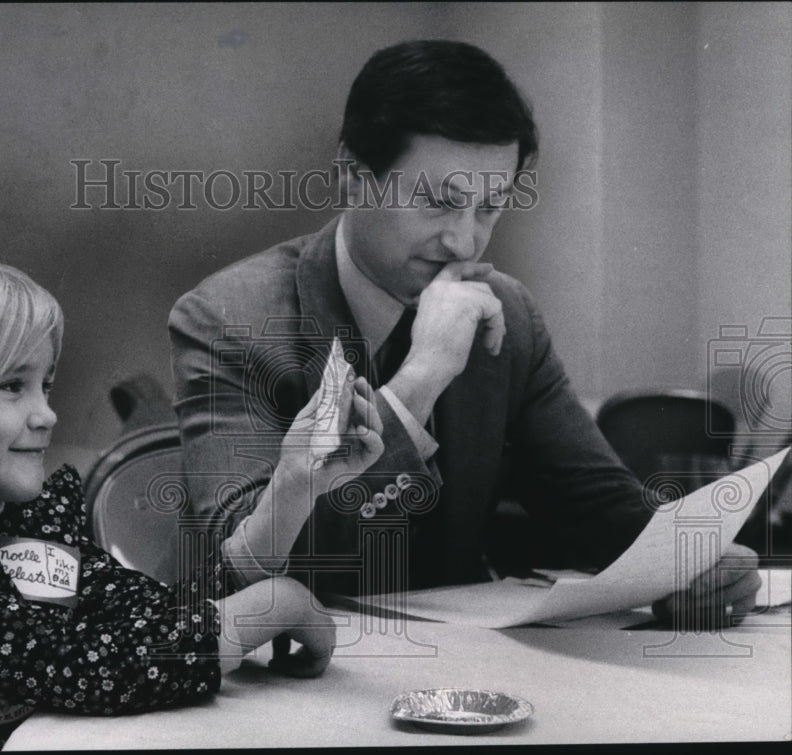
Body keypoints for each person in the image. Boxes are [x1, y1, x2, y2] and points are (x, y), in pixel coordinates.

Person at [168, 40, 760, 623]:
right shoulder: (229, 317)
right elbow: (247, 568)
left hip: (465, 671)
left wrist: (691, 562)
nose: (464, 241)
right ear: (352, 176)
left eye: (489, 208)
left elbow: (601, 513)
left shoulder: (508, 313)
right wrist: (422, 377)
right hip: (287, 680)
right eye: (436, 202)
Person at [0, 251, 355, 753]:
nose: (47, 414)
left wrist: (293, 485)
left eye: (48, 385)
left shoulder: (22, 519)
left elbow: (150, 616)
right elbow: (70, 661)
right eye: (13, 386)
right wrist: (269, 607)